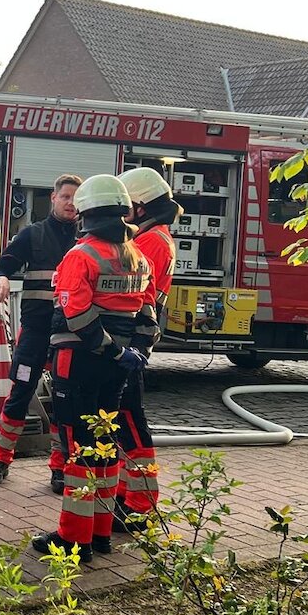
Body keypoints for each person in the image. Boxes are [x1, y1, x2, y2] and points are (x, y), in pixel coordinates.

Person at [32, 174, 158, 562]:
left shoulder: (81, 256)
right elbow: (149, 315)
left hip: (80, 363)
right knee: (105, 445)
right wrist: (135, 353)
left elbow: (77, 316)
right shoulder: (138, 257)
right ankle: (100, 532)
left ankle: (74, 539)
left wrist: (111, 351)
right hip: (117, 370)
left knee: (78, 449)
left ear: (85, 213)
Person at [0, 173, 81, 490]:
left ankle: (60, 467)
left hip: (73, 335)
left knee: (64, 403)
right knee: (20, 394)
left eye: (76, 198)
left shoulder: (87, 240)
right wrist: (0, 279)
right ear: (53, 198)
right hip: (36, 332)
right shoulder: (33, 235)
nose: (71, 203)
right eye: (65, 197)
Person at [113, 167, 180, 529]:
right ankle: (127, 495)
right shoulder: (155, 235)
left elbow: (134, 292)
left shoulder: (151, 241)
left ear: (139, 207)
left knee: (131, 420)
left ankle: (141, 504)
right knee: (124, 420)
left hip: (132, 338)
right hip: (131, 337)